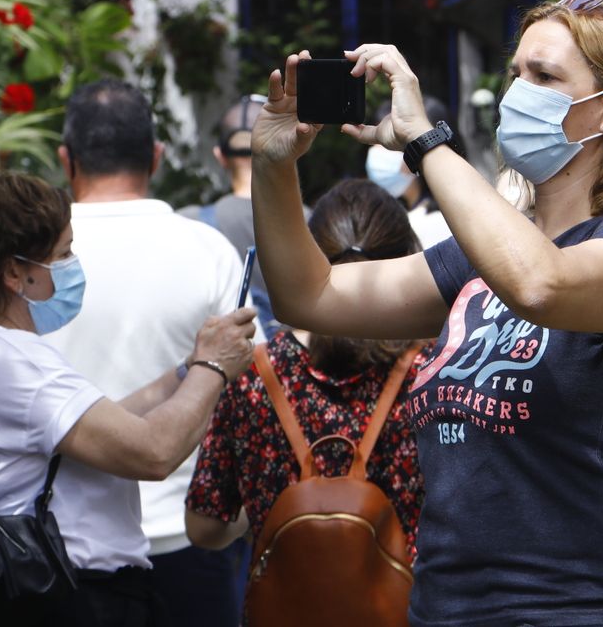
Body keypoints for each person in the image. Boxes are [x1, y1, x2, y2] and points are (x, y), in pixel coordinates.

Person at [250, 0, 603, 626]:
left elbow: (540, 284)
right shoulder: (479, 257)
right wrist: (273, 167)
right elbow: (312, 295)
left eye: (544, 76)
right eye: (516, 73)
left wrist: (425, 142)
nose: (520, 92)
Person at [0, 171, 256, 626]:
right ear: (15, 273)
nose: (72, 265)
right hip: (65, 600)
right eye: (62, 253)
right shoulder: (8, 358)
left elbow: (103, 427)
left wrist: (189, 370)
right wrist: (214, 368)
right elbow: (153, 452)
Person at [43, 80, 254, 627]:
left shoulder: (33, 262)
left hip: (57, 545)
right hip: (189, 536)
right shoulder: (209, 252)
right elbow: (243, 392)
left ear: (67, 160)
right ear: (157, 157)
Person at [184, 178, 431, 562]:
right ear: (409, 258)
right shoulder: (432, 371)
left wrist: (268, 512)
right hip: (409, 608)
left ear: (307, 259)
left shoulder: (254, 374)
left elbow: (204, 526)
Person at [180, 94, 284, 336]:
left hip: (225, 368)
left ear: (220, 156)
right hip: (290, 369)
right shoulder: (314, 221)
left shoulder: (191, 223)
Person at [364, 97, 453, 249]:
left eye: (391, 144)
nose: (377, 151)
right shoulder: (386, 218)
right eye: (376, 139)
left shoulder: (438, 226)